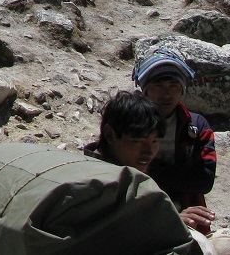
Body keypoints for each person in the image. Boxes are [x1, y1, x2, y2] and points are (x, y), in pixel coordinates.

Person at [86, 90, 216, 235]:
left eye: (155, 141)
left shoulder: (135, 176)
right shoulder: (93, 183)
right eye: (138, 141)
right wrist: (168, 223)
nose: (148, 152)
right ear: (110, 134)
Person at [134, 49, 218, 230]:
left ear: (182, 89)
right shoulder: (127, 123)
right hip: (136, 211)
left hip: (188, 214)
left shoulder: (197, 126)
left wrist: (150, 169)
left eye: (174, 85)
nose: (167, 94)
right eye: (158, 85)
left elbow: (205, 180)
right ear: (145, 89)